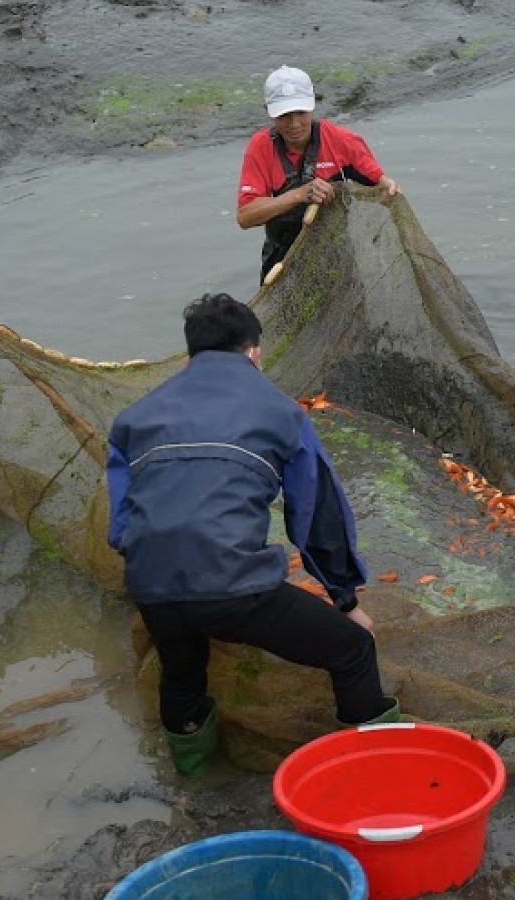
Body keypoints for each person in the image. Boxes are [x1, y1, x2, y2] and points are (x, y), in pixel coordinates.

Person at [106, 293, 399, 774]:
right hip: (234, 591)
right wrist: (345, 600)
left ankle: (194, 782)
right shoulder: (282, 412)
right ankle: (376, 771)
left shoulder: (134, 418)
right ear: (255, 353)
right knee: (352, 650)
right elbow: (316, 516)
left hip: (152, 587)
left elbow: (122, 525)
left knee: (181, 678)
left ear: (188, 358)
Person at [237, 65, 402, 283]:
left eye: (301, 113)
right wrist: (299, 195)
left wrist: (390, 187)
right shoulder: (260, 147)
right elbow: (245, 216)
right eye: (284, 115)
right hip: (282, 261)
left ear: (312, 105)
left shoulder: (343, 141)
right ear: (268, 110)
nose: (294, 124)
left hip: (338, 255)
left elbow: (382, 186)